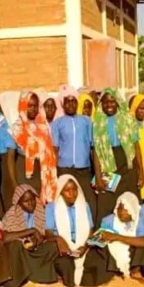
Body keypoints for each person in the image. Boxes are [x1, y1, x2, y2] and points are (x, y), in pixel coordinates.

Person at [46, 175, 110, 287]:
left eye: (74, 189)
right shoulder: (52, 208)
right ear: (60, 191)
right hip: (63, 249)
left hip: (83, 248)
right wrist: (60, 239)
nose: (72, 193)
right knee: (66, 265)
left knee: (99, 263)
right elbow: (48, 233)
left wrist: (84, 247)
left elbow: (90, 231)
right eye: (67, 190)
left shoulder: (84, 206)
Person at [92, 88, 143, 223]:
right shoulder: (97, 122)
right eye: (106, 102)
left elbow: (136, 147)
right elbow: (96, 150)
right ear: (101, 104)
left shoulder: (127, 118)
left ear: (118, 102)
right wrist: (98, 176)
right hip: (108, 165)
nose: (109, 105)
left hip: (127, 163)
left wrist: (141, 173)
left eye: (112, 102)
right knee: (106, 204)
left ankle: (134, 236)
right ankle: (102, 240)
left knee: (131, 201)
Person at [50, 85, 99, 217]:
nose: (70, 104)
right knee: (66, 201)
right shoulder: (57, 123)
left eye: (73, 101)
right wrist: (54, 173)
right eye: (67, 101)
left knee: (90, 200)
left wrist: (97, 173)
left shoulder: (86, 121)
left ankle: (92, 230)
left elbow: (93, 148)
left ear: (77, 103)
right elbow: (55, 149)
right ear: (63, 104)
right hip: (65, 169)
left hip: (84, 169)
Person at [1, 184, 62, 287]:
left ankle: (31, 274)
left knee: (53, 246)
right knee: (16, 246)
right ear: (19, 202)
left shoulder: (40, 210)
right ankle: (32, 274)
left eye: (32, 199)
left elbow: (45, 234)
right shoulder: (12, 213)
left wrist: (38, 240)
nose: (30, 204)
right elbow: (6, 237)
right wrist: (31, 231)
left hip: (35, 250)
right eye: (26, 201)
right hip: (21, 251)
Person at [5, 91, 58, 205]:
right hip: (24, 171)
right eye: (29, 105)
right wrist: (15, 184)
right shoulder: (16, 128)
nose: (33, 109)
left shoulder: (44, 125)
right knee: (27, 204)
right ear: (23, 105)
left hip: (42, 171)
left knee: (42, 206)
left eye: (35, 105)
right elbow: (10, 158)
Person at [96, 192, 144, 281]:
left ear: (132, 210)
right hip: (115, 251)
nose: (121, 212)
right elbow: (100, 237)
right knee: (103, 249)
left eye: (126, 209)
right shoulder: (109, 220)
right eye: (119, 208)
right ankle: (115, 271)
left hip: (130, 250)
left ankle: (135, 269)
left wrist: (117, 237)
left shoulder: (139, 221)